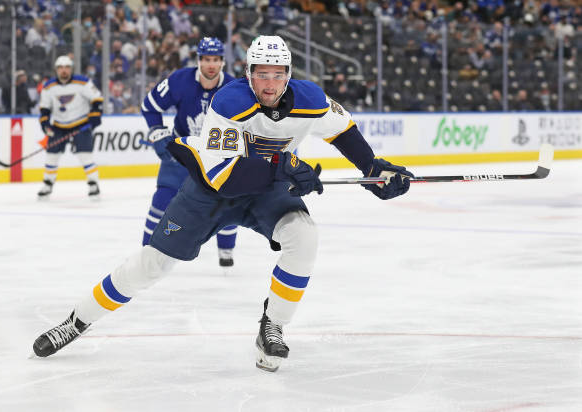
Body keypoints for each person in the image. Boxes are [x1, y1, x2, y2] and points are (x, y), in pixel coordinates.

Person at [32, 36, 413, 372]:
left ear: (289, 74)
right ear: (248, 73)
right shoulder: (228, 101)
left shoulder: (311, 98)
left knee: (304, 237)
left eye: (278, 74)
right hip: (209, 192)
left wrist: (372, 169)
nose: (270, 83)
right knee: (153, 264)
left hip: (267, 190)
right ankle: (77, 321)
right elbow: (223, 178)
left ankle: (273, 324)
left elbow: (342, 130)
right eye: (262, 74)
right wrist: (285, 165)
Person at [140, 37, 239, 268]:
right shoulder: (179, 80)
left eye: (215, 60)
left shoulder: (235, 88)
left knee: (229, 205)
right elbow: (150, 106)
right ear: (198, 60)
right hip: (181, 154)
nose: (211, 65)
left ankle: (226, 251)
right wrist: (156, 132)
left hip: (218, 158)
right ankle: (146, 251)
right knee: (161, 201)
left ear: (223, 62)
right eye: (206, 59)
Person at [37, 55, 104, 198]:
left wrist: (95, 114)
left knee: (85, 156)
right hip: (59, 126)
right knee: (51, 156)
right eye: (60, 68)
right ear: (56, 70)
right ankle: (47, 184)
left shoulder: (83, 82)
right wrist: (45, 124)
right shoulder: (49, 87)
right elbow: (44, 109)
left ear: (71, 69)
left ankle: (93, 184)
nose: (64, 71)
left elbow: (97, 99)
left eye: (67, 67)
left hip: (81, 124)